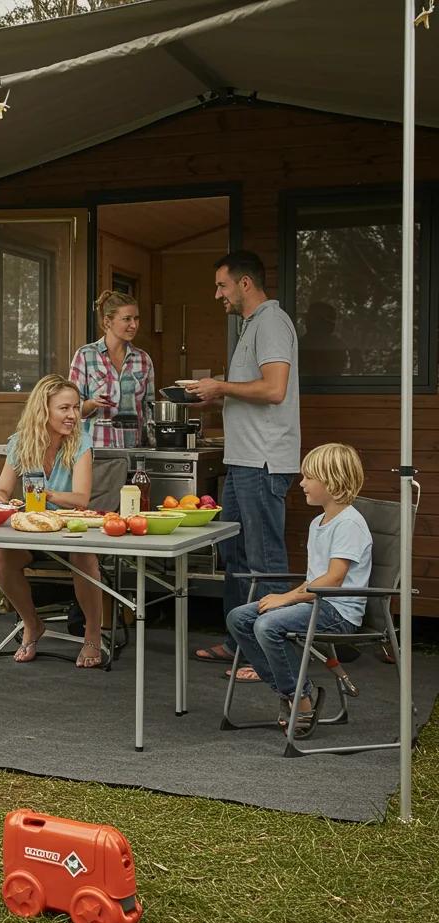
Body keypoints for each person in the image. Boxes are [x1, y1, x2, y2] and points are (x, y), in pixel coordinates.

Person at [187, 251, 301, 673]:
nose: (218, 294)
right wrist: (218, 395)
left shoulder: (271, 322)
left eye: (222, 286)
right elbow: (253, 392)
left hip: (264, 461)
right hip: (242, 461)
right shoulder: (252, 326)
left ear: (245, 284)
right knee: (234, 556)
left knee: (265, 560)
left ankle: (275, 657)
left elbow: (274, 389)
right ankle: (241, 644)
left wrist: (221, 385)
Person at [226, 443, 371, 736]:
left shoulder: (350, 524)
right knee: (239, 618)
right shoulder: (319, 522)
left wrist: (288, 597)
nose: (301, 483)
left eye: (308, 477)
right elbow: (317, 578)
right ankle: (293, 692)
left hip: (339, 612)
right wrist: (290, 600)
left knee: (267, 625)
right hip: (318, 603)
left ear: (331, 481)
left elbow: (333, 579)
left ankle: (301, 697)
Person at [0, 374, 103, 668]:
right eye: (64, 408)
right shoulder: (20, 443)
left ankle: (92, 635)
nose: (72, 415)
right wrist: (3, 502)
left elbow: (81, 499)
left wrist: (45, 493)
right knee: (1, 560)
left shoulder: (81, 443)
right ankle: (32, 623)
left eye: (76, 408)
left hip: (68, 529)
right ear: (44, 410)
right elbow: (1, 489)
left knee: (85, 556)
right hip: (33, 528)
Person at [69, 289, 155, 450]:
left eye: (136, 318)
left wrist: (153, 447)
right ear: (108, 322)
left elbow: (149, 412)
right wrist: (92, 404)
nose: (134, 325)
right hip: (93, 452)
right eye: (127, 319)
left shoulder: (143, 360)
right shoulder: (85, 356)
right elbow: (71, 408)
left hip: (134, 452)